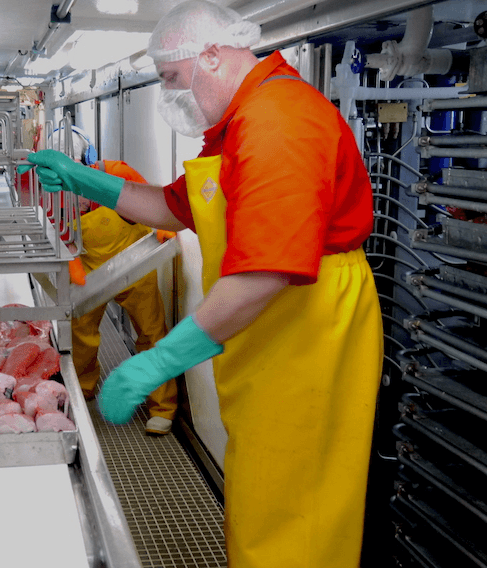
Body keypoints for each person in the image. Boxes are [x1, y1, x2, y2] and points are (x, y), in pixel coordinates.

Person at [22, 2, 383, 567]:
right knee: (262, 492)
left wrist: (160, 359)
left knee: (295, 509)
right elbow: (173, 208)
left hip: (309, 330)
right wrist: (83, 179)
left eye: (170, 77)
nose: (168, 93)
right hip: (277, 332)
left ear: (212, 56)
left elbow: (265, 272)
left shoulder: (278, 121)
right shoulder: (239, 124)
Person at [69, 157, 178, 436]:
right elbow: (56, 231)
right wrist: (69, 261)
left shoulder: (114, 172)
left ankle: (162, 407)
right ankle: (82, 389)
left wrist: (165, 223)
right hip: (90, 270)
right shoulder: (51, 193)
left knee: (152, 333)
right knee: (80, 332)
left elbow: (153, 200)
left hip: (133, 262)